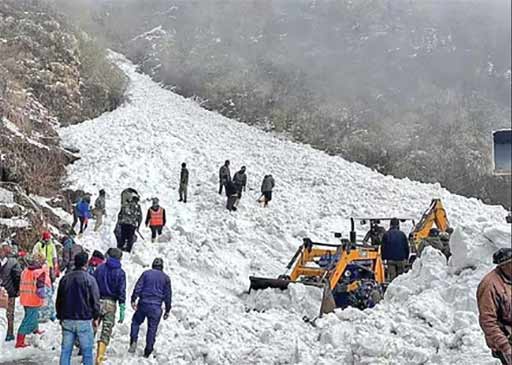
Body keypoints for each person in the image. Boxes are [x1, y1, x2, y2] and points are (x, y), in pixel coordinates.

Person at [56, 252, 100, 365]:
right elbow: (95, 300)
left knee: (66, 351)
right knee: (87, 352)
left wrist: (60, 316)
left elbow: (59, 300)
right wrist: (96, 317)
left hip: (67, 319)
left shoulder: (65, 279)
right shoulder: (90, 279)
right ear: (86, 263)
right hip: (84, 320)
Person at [129, 258, 172, 358]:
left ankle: (133, 340)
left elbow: (138, 287)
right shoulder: (166, 278)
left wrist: (133, 299)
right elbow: (168, 295)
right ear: (162, 267)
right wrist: (168, 310)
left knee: (136, 322)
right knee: (152, 329)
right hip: (156, 307)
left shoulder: (146, 274)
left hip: (143, 304)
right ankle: (148, 350)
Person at [477, 248, 512, 365]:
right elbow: (487, 320)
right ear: (503, 265)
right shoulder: (489, 285)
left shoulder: (510, 277)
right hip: (505, 339)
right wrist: (504, 346)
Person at [93, 248, 126, 364]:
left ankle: (84, 348)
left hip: (97, 301)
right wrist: (122, 306)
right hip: (111, 303)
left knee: (93, 325)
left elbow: (93, 284)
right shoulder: (120, 272)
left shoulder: (100, 268)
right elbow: (121, 290)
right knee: (106, 330)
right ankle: (99, 356)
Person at [15, 254, 48, 348]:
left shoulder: (25, 271)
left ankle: (35, 330)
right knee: (29, 319)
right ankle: (19, 341)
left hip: (25, 297)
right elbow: (40, 290)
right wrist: (44, 298)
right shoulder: (39, 272)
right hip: (33, 299)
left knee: (32, 315)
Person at [0, 242, 22, 341]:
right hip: (7, 291)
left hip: (9, 292)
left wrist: (18, 290)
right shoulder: (13, 261)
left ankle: (9, 333)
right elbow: (18, 276)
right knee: (8, 314)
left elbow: (18, 277)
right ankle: (7, 333)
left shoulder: (13, 261)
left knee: (9, 313)